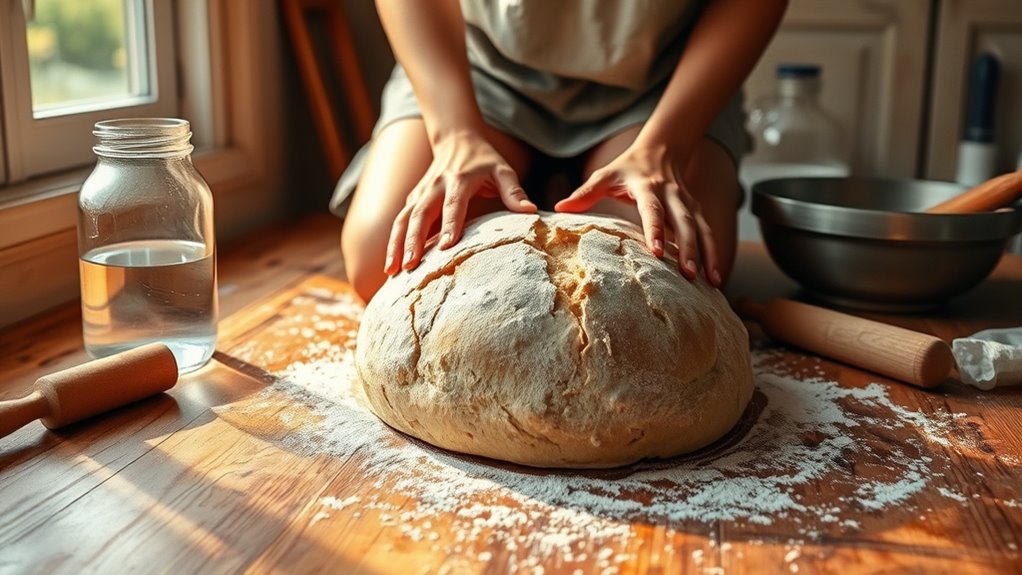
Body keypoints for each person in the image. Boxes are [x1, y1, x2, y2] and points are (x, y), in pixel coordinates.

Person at [333, 0, 789, 302]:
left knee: (669, 279)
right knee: (381, 263)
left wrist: (666, 145)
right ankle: (542, 181)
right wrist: (455, 134)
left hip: (662, 78)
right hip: (476, 68)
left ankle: (554, 183)